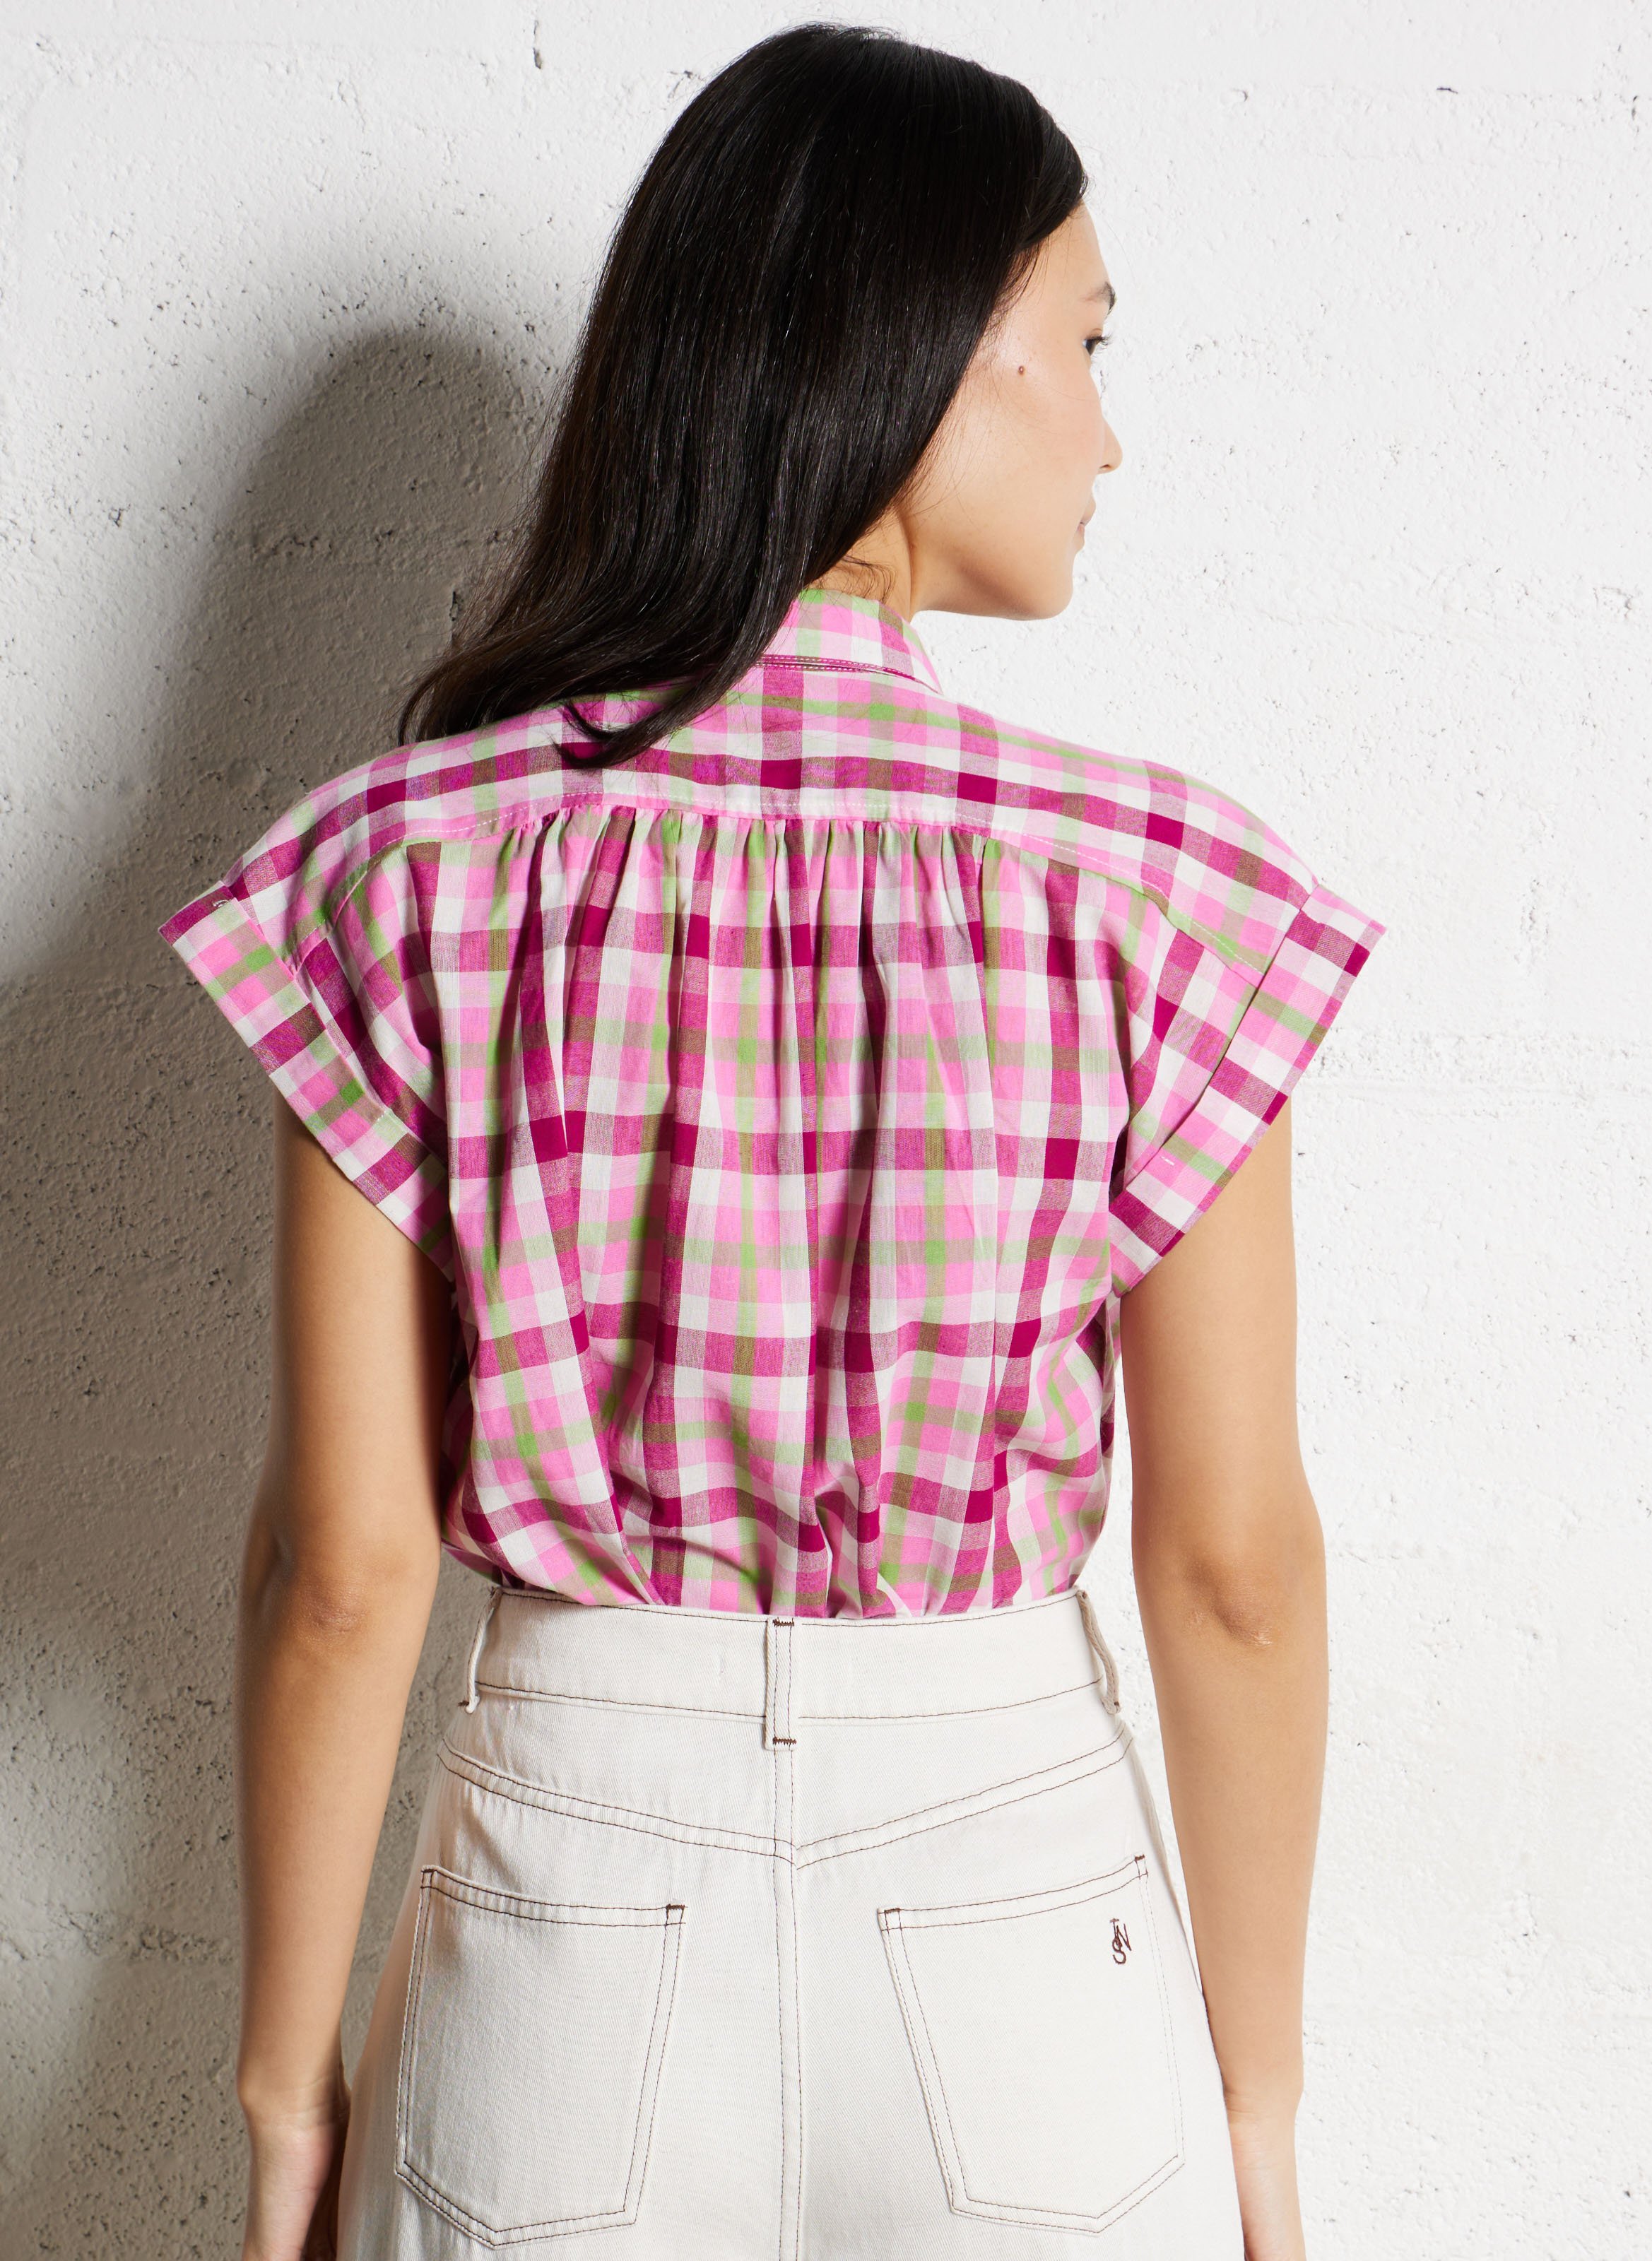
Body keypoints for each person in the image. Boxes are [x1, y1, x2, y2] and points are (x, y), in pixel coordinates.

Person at [160, 23, 1382, 2261]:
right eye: (1082, 345)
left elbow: (340, 1569)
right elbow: (1230, 1571)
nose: (1108, 433)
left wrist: (282, 2098)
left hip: (561, 1912)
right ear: (911, 355)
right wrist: (1260, 2107)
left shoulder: (402, 871)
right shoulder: (1160, 899)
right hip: (1019, 1927)